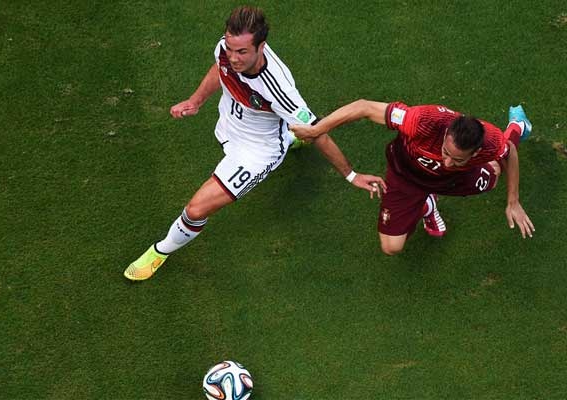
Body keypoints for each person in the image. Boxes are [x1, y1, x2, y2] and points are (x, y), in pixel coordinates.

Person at [124, 6, 385, 280]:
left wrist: (351, 175)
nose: (233, 57)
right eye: (230, 48)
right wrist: (195, 101)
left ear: (261, 46)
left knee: (196, 209)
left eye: (242, 52)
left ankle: (160, 251)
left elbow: (319, 131)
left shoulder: (278, 88)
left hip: (255, 152)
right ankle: (290, 135)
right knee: (292, 126)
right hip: (230, 124)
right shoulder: (226, 50)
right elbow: (219, 69)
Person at [290, 100, 535, 255]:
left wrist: (513, 201)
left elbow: (508, 153)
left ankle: (517, 127)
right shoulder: (421, 122)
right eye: (446, 153)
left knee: (493, 175)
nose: (447, 162)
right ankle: (426, 205)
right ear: (446, 133)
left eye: (458, 159)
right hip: (405, 175)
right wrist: (315, 130)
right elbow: (364, 107)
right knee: (391, 247)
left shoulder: (489, 143)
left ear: (476, 151)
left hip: (454, 181)